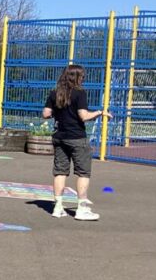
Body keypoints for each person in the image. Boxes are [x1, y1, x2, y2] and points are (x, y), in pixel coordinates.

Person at [42, 63, 111, 220]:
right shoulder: (80, 93)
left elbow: (45, 114)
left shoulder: (55, 93)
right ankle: (82, 209)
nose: (83, 79)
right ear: (77, 77)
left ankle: (58, 207)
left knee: (60, 171)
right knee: (83, 172)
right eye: (82, 76)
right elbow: (83, 116)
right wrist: (100, 113)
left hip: (59, 136)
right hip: (77, 137)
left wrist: (59, 113)